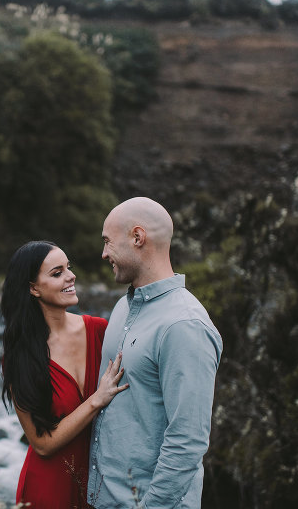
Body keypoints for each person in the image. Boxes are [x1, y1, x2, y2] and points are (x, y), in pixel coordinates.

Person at [88, 197, 223, 508]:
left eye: (108, 242)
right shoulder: (123, 306)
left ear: (138, 238)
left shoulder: (184, 325)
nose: (104, 253)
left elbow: (188, 441)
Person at [1, 240, 129, 508]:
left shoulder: (99, 330)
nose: (71, 276)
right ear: (33, 288)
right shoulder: (20, 356)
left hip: (104, 481)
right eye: (57, 273)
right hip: (49, 488)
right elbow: (42, 444)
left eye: (68, 268)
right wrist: (96, 399)